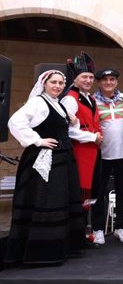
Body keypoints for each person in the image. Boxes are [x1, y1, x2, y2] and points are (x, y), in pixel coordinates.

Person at [5, 70, 86, 265]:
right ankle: (43, 251)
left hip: (62, 159)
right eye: (53, 83)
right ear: (44, 84)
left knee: (60, 198)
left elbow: (64, 128)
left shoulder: (56, 103)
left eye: (60, 83)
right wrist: (38, 140)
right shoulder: (38, 102)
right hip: (46, 160)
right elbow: (15, 122)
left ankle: (62, 246)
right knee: (47, 200)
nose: (57, 86)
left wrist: (73, 120)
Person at [61, 51, 104, 244]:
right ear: (75, 78)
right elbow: (67, 130)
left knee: (91, 193)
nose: (88, 80)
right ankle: (75, 234)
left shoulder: (91, 98)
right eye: (84, 77)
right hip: (80, 152)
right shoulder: (70, 99)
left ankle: (84, 232)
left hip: (93, 152)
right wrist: (92, 136)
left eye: (90, 77)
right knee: (80, 193)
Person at [94, 68, 123, 243]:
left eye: (112, 79)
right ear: (99, 82)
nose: (108, 83)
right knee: (99, 193)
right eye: (104, 80)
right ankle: (98, 229)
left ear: (116, 81)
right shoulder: (93, 100)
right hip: (101, 155)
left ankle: (121, 227)